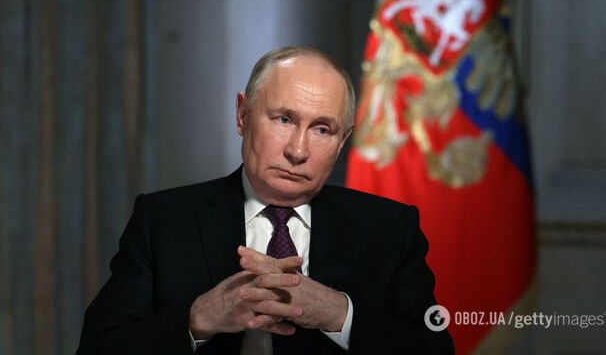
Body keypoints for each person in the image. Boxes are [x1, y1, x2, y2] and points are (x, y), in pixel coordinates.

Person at [77, 46, 454, 354]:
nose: (298, 151)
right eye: (284, 120)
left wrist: (341, 314)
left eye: (322, 129)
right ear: (243, 115)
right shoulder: (164, 220)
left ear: (343, 140)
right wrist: (197, 319)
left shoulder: (390, 229)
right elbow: (98, 349)